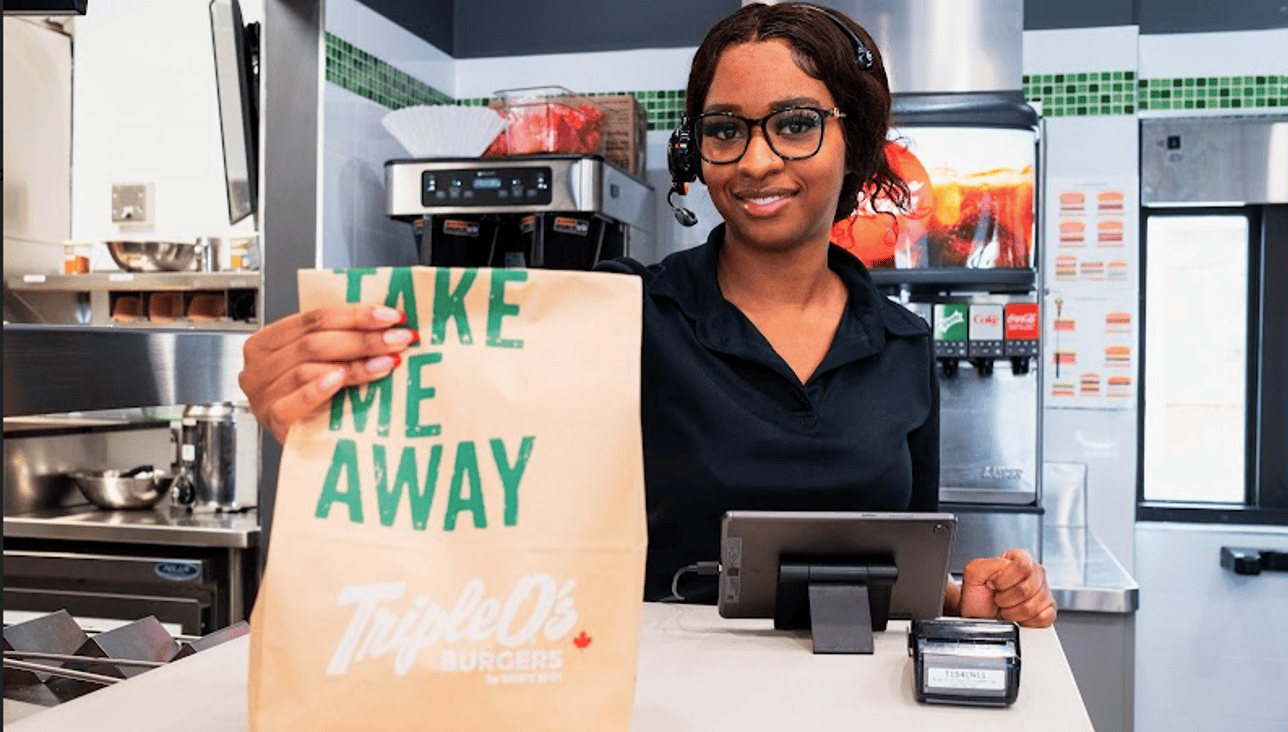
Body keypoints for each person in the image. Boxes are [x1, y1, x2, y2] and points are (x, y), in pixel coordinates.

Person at [238, 2, 1056, 628]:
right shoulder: (622, 313)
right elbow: (453, 438)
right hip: (654, 699)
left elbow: (904, 571)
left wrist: (965, 594)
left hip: (843, 702)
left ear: (858, 144)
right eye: (725, 130)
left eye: (796, 124)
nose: (757, 160)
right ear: (696, 154)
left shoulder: (904, 345)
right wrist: (320, 402)